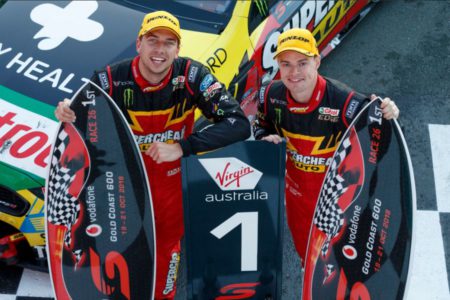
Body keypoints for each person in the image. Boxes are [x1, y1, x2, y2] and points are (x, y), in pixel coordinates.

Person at [55, 11, 250, 299]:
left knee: (164, 266)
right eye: (153, 40)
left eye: (169, 43)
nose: (160, 50)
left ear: (178, 49)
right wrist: (66, 113)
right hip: (119, 192)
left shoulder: (193, 76)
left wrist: (183, 147)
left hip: (169, 193)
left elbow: (239, 124)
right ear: (139, 44)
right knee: (115, 265)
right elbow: (79, 133)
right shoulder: (108, 80)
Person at [253, 28, 399, 264]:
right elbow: (261, 125)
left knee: (344, 264)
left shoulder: (345, 101)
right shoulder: (269, 95)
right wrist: (264, 138)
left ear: (317, 61)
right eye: (286, 64)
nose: (294, 72)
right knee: (310, 263)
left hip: (341, 203)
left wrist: (390, 112)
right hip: (298, 199)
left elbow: (381, 137)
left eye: (302, 63)